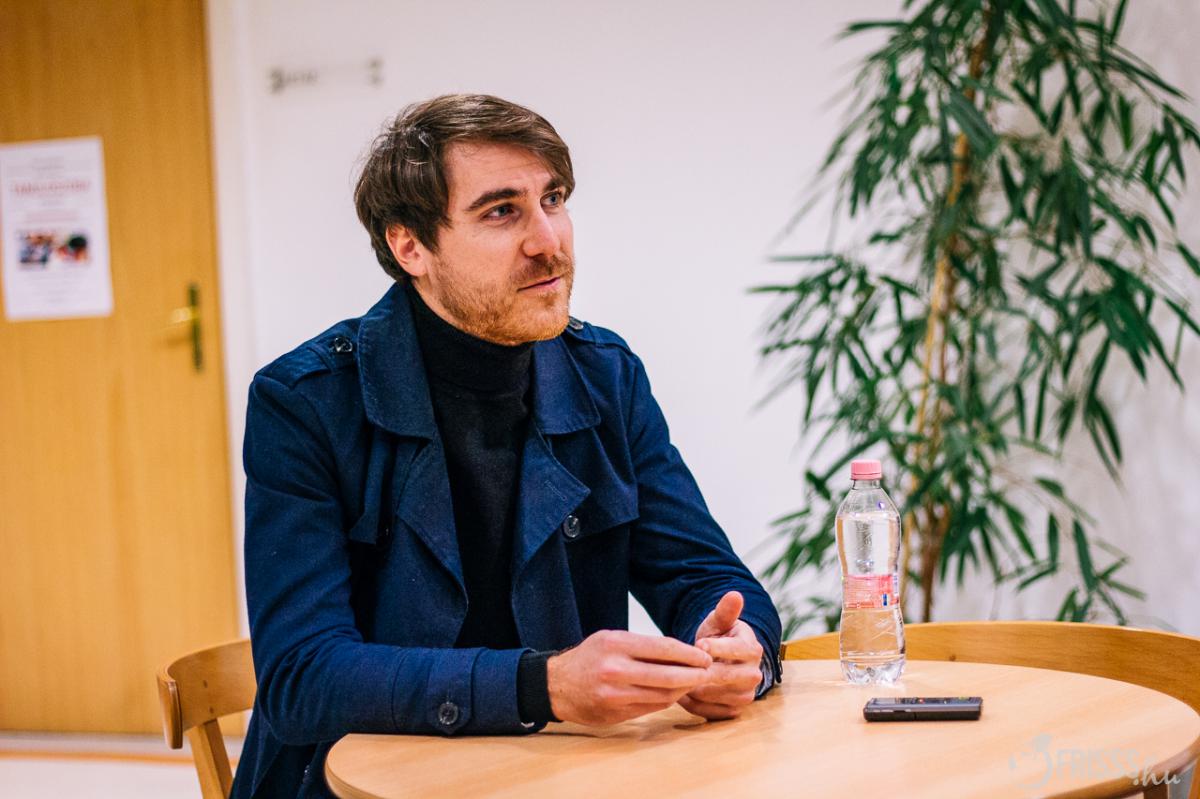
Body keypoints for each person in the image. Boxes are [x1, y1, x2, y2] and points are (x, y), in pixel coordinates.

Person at [231, 94, 782, 799]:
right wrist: (541, 685)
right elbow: (303, 676)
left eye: (553, 200)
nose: (548, 241)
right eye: (501, 211)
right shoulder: (304, 401)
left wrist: (737, 650)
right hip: (352, 786)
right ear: (410, 246)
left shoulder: (606, 377)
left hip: (559, 780)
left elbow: (708, 576)